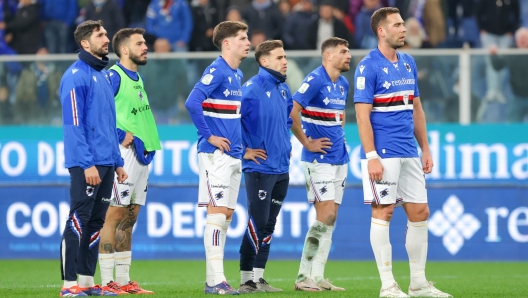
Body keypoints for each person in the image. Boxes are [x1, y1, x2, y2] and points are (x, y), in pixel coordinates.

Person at [353, 7, 452, 297]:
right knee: (383, 212)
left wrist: (426, 148)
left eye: (402, 23)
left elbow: (416, 108)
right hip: (383, 153)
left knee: (420, 211)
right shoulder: (367, 66)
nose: (404, 28)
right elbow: (362, 116)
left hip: (409, 150)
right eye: (397, 25)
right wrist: (371, 156)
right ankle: (388, 285)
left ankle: (419, 283)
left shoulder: (408, 62)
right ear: (382, 31)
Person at [58, 20, 127, 297]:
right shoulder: (76, 76)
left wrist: (117, 161)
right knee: (78, 219)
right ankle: (68, 285)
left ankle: (87, 282)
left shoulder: (102, 75)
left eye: (106, 33)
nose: (106, 38)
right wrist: (87, 163)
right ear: (85, 43)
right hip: (87, 163)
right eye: (100, 35)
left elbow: (108, 124)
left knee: (96, 222)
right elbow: (73, 125)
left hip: (107, 162)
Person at [184, 20, 251, 295]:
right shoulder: (217, 69)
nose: (248, 42)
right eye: (242, 38)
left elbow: (233, 117)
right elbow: (192, 102)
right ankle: (215, 281)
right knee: (217, 214)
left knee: (226, 217)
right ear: (227, 43)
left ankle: (216, 279)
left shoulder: (237, 73)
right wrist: (209, 136)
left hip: (234, 155)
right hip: (216, 154)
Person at [97, 27, 162, 295]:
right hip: (124, 155)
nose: (145, 46)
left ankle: (124, 281)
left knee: (129, 217)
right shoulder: (114, 76)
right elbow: (98, 113)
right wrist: (119, 134)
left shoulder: (138, 78)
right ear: (124, 49)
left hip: (141, 154)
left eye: (145, 42)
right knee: (113, 215)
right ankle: (107, 281)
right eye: (139, 43)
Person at [291, 37, 351, 292]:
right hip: (319, 160)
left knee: (331, 217)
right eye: (343, 51)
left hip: (340, 158)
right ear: (328, 56)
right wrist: (306, 142)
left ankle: (318, 276)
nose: (348, 55)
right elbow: (292, 111)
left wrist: (340, 134)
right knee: (324, 214)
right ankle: (302, 276)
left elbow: (341, 114)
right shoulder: (315, 79)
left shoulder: (344, 83)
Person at [237, 40, 292, 294]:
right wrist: (243, 150)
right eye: (279, 57)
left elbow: (286, 120)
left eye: (285, 57)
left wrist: (286, 146)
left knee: (269, 224)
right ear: (264, 61)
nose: (285, 61)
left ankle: (259, 278)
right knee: (257, 222)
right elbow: (228, 121)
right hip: (259, 168)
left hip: (281, 169)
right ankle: (245, 278)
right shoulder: (251, 89)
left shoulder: (283, 89)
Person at [489, 27, 528, 122]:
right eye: (521, 38)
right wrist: (493, 55)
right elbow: (497, 66)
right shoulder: (511, 52)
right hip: (517, 96)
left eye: (525, 38)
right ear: (516, 40)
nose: (523, 41)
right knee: (512, 125)